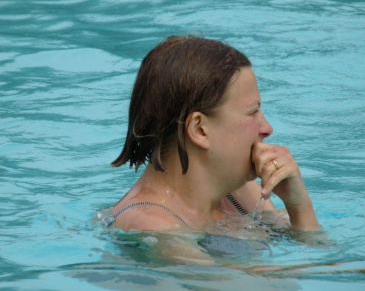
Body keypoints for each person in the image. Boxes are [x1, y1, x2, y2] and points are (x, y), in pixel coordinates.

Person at [109, 35, 320, 233]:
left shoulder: (238, 192)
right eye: (253, 112)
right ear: (199, 129)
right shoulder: (154, 225)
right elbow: (299, 271)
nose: (267, 128)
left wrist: (299, 204)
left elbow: (310, 249)